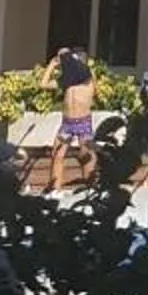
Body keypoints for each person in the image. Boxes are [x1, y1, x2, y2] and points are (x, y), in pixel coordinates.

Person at [48, 44, 99, 190]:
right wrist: (52, 65)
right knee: (57, 154)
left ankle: (91, 186)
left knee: (86, 154)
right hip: (68, 123)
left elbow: (95, 89)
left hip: (83, 121)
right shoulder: (67, 80)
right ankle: (55, 188)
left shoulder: (88, 76)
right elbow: (43, 84)